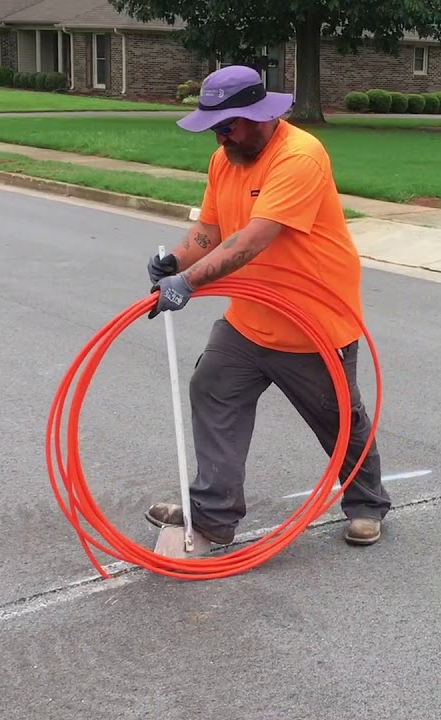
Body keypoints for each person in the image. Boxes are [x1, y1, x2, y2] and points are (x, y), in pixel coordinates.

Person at [142, 64, 392, 547]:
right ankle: (213, 514)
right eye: (213, 127)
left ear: (258, 116)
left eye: (227, 125)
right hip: (250, 318)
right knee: (212, 389)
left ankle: (367, 504)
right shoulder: (227, 159)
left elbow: (255, 238)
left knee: (340, 420)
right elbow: (210, 231)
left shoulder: (299, 157)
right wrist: (176, 259)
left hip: (312, 323)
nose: (219, 138)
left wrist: (188, 282)